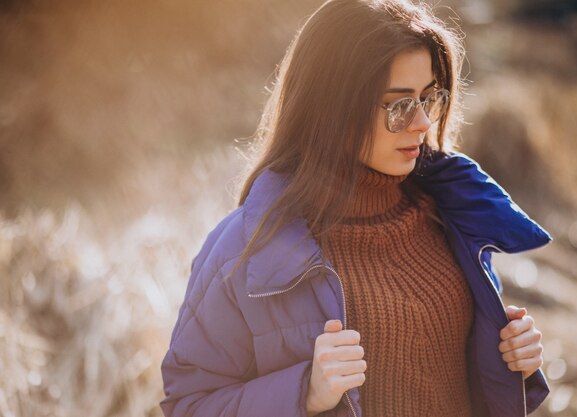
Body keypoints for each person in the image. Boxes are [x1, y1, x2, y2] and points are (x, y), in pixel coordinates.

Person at [160, 0, 552, 416]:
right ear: (333, 109)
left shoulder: (452, 214)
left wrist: (512, 360)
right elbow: (188, 404)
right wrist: (304, 393)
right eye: (399, 105)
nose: (422, 122)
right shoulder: (244, 251)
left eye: (430, 97)